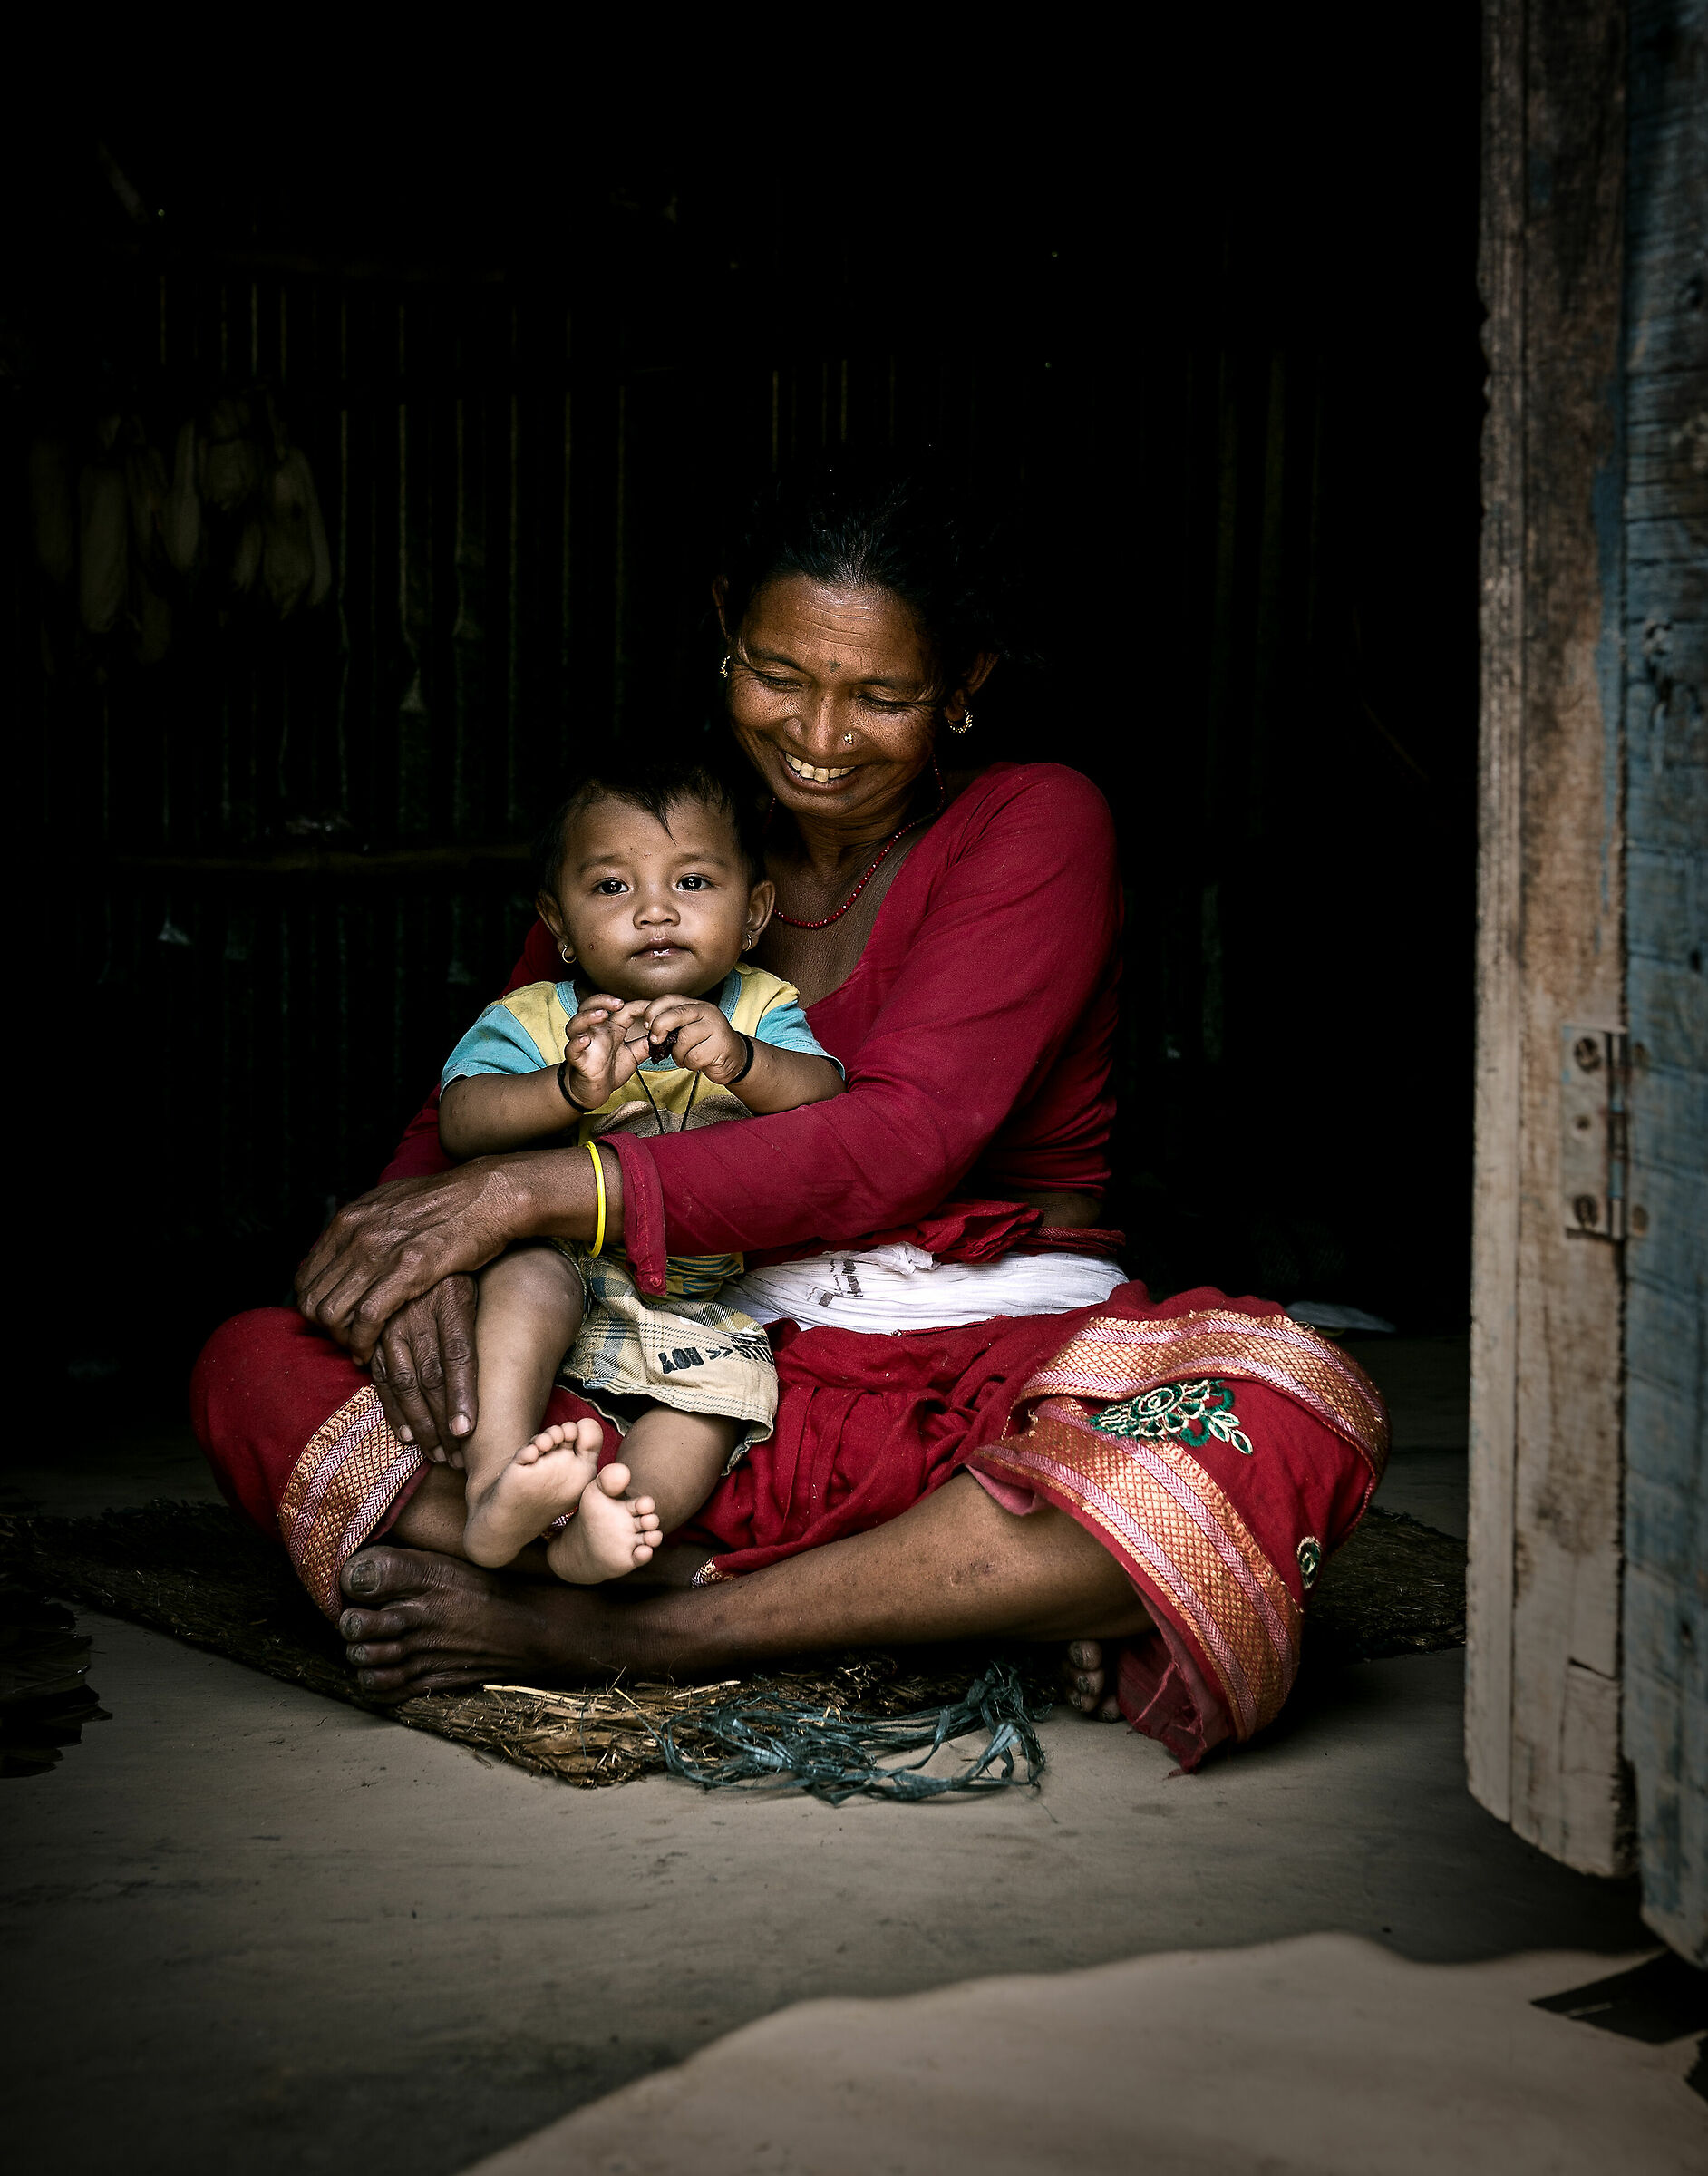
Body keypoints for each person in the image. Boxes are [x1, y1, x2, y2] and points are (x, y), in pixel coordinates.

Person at [193, 461, 1388, 1772]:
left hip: (973, 1354)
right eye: (778, 676)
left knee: (1277, 1416)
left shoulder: (1038, 821)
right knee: (254, 1366)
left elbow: (900, 1141)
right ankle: (943, 1593)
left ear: (966, 681)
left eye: (882, 696)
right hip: (692, 1357)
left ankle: (637, 1629)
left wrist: (526, 1194)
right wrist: (420, 1264)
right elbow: (482, 1093)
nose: (819, 734)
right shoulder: (669, 841)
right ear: (724, 629)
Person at [433, 756, 843, 1584]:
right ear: (558, 920)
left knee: (719, 1401)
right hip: (564, 1267)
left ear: (754, 912)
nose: (655, 911)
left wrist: (746, 1061)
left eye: (692, 881)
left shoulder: (761, 1008)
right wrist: (565, 1086)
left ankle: (614, 1523)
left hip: (701, 1302)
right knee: (522, 1282)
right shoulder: (536, 1018)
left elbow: (829, 1100)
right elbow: (461, 1121)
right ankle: (494, 1494)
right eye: (612, 887)